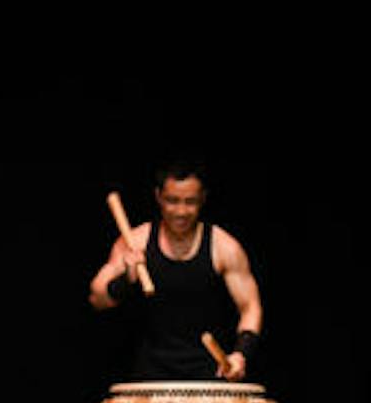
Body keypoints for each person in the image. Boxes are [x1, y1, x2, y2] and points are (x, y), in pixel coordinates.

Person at [89, 160, 263, 381]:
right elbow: (97, 299)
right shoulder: (136, 241)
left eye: (190, 202)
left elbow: (250, 307)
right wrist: (126, 279)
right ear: (158, 197)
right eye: (172, 201)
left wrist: (241, 354)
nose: (181, 211)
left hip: (209, 374)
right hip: (149, 374)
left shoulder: (223, 247)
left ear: (203, 199)